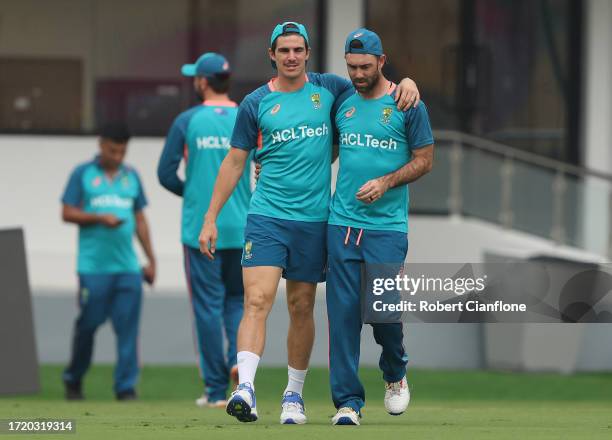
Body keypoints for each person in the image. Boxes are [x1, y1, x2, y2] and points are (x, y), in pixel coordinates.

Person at [198, 21, 421, 424]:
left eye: (298, 50)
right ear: (272, 54)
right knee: (257, 300)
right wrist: (210, 217)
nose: (291, 57)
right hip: (267, 216)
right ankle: (245, 389)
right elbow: (234, 161)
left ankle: (293, 396)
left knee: (303, 305)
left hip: (316, 221)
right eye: (283, 50)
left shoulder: (332, 90)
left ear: (307, 53)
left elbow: (372, 94)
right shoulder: (255, 103)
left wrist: (408, 81)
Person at [326, 28, 434, 425]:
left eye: (365, 67)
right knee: (342, 318)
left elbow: (425, 160)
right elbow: (326, 148)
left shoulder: (407, 103)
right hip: (341, 226)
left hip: (387, 228)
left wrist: (386, 182)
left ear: (382, 62)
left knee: (384, 313)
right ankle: (347, 404)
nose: (357, 74)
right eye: (351, 67)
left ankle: (395, 374)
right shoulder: (341, 103)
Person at [157, 53, 249, 407]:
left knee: (207, 307)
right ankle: (236, 366)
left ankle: (214, 391)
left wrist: (195, 192)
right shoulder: (248, 115)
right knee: (238, 303)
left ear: (202, 82)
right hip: (242, 227)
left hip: (201, 231)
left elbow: (165, 174)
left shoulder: (187, 121)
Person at [61, 122, 156, 401]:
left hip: (128, 268)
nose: (118, 156)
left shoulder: (132, 176)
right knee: (88, 325)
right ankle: (74, 378)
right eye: (113, 150)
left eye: (122, 151)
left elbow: (140, 219)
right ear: (101, 144)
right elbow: (67, 212)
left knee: (128, 330)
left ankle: (125, 388)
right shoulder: (83, 174)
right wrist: (99, 218)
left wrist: (150, 259)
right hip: (93, 269)